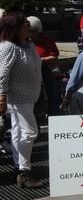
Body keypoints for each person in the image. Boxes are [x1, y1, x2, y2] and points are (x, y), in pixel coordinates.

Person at [0, 12, 44, 188]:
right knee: (30, 131)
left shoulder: (29, 45)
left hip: (30, 95)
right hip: (18, 97)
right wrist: (2, 95)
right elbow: (2, 73)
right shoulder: (8, 47)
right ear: (15, 27)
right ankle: (24, 171)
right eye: (25, 23)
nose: (29, 26)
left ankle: (20, 168)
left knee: (19, 131)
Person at [28, 16, 62, 118]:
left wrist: (40, 60)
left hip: (45, 69)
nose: (28, 32)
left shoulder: (47, 40)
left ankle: (53, 114)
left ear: (37, 31)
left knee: (52, 92)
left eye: (31, 31)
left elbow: (54, 55)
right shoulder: (25, 41)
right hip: (30, 71)